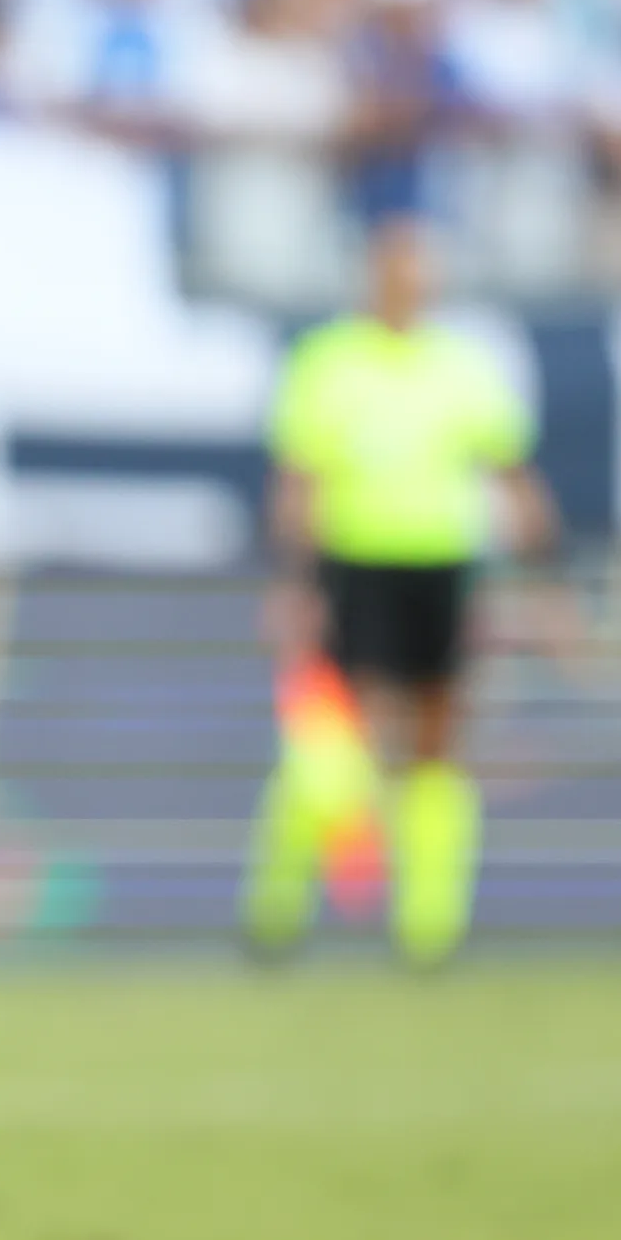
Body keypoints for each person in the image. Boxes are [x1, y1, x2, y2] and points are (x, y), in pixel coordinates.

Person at [241, 216, 560, 968]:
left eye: (424, 271)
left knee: (435, 742)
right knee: (332, 750)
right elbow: (298, 484)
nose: (413, 284)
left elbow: (513, 477)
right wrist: (294, 584)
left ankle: (428, 926)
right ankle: (276, 910)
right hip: (352, 569)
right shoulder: (328, 363)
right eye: (400, 269)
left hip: (440, 570)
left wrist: (546, 583)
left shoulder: (462, 367)